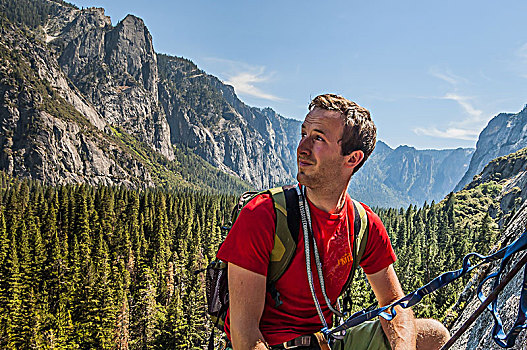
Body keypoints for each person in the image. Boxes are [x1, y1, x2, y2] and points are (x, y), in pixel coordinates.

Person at [217, 94, 450, 350]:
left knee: (433, 335)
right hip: (270, 345)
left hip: (325, 342)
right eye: (303, 133)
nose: (302, 148)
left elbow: (394, 304)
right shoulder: (262, 215)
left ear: (352, 159)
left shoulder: (363, 224)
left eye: (318, 138)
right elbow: (245, 337)